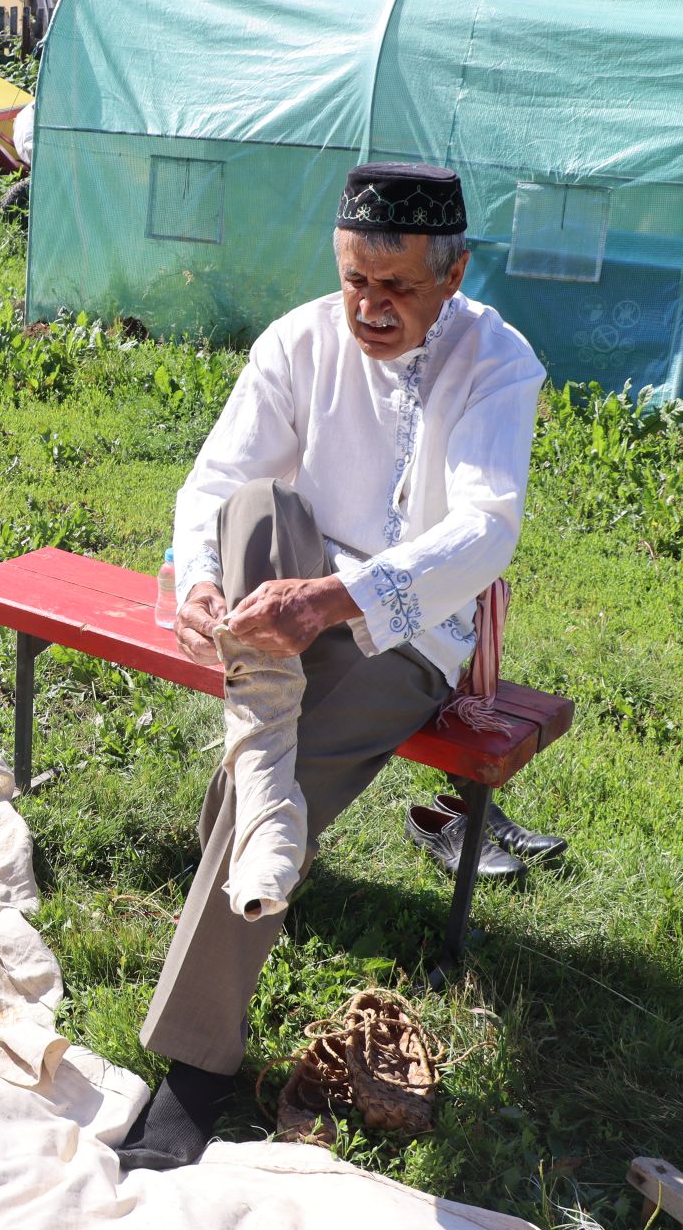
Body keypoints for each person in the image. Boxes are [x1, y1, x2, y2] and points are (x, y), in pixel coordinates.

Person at [115, 163, 558, 1171]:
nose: (370, 307)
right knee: (257, 513)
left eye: (397, 286)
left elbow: (484, 531)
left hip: (410, 625)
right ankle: (262, 804)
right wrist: (196, 582)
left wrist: (339, 601)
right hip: (284, 600)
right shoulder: (301, 337)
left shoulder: (496, 359)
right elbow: (218, 480)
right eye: (357, 278)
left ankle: (195, 1067)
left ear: (455, 274)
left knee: (283, 763)